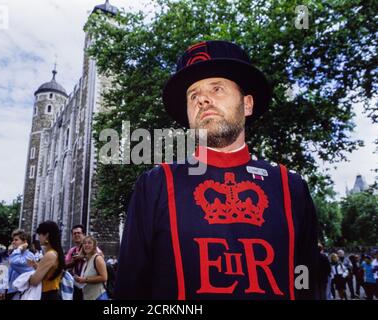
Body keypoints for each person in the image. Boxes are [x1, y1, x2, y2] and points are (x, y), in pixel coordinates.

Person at [115, 40, 319, 300]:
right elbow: (129, 294)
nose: (202, 99)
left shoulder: (291, 187)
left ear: (247, 104)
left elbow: (307, 286)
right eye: (193, 95)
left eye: (217, 88)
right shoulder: (155, 185)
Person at [28, 221, 65, 300]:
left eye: (40, 234)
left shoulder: (50, 254)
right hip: (52, 293)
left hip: (48, 294)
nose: (39, 238)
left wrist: (28, 278)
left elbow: (34, 281)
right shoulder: (55, 252)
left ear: (47, 235)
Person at [65, 224, 103, 300]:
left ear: (84, 235)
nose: (76, 235)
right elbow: (66, 264)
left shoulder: (91, 247)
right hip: (76, 285)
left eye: (79, 233)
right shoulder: (72, 250)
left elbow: (101, 256)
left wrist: (82, 257)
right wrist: (73, 261)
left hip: (90, 284)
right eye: (74, 233)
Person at [0, 229, 35, 300]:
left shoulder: (30, 256)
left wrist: (20, 248)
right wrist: (2, 289)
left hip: (21, 293)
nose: (13, 242)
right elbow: (8, 274)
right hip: (10, 291)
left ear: (25, 242)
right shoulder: (16, 254)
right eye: (13, 240)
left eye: (16, 240)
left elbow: (14, 262)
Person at [75, 235, 108, 300]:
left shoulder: (98, 258)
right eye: (84, 243)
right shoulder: (87, 260)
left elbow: (104, 277)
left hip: (98, 296)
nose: (86, 245)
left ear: (94, 246)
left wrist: (84, 280)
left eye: (89, 243)